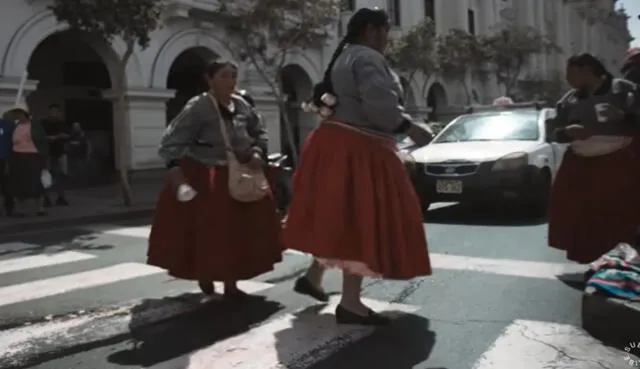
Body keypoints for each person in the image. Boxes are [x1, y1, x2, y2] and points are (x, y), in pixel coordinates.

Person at [283, 8, 434, 326]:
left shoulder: (345, 55)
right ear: (372, 30)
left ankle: (314, 277)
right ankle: (350, 302)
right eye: (386, 30)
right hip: (360, 148)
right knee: (360, 222)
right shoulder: (367, 57)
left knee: (342, 219)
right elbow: (380, 108)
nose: (389, 38)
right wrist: (410, 127)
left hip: (336, 144)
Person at [147, 59, 283, 299]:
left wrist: (257, 152)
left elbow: (258, 131)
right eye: (224, 76)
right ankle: (206, 274)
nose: (230, 82)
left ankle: (232, 284)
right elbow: (171, 142)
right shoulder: (198, 107)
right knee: (214, 233)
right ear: (209, 79)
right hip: (209, 178)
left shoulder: (242, 105)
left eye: (233, 76)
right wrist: (178, 171)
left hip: (241, 175)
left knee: (241, 233)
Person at [548, 53, 640, 264]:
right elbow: (552, 131)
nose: (567, 78)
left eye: (570, 73)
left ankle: (622, 261)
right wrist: (566, 132)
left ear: (587, 70)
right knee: (579, 214)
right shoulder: (569, 99)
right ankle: (591, 260)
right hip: (580, 163)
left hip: (618, 161)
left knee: (618, 213)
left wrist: (624, 116)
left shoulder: (624, 90)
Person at [8, 104, 48, 217]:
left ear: (25, 114)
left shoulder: (35, 125)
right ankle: (20, 208)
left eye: (19, 114)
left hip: (33, 156)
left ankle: (40, 207)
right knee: (19, 183)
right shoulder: (15, 126)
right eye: (16, 114)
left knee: (35, 181)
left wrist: (44, 156)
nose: (18, 116)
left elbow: (43, 141)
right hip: (18, 156)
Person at [42, 104, 69, 206]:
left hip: (59, 152)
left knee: (60, 176)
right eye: (52, 111)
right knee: (47, 176)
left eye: (56, 111)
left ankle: (61, 197)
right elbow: (42, 136)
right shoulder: (44, 123)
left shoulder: (61, 123)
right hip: (47, 153)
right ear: (49, 112)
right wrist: (52, 137)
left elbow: (68, 135)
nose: (54, 113)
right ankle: (46, 198)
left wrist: (63, 136)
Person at [0, 111, 15, 216]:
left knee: (7, 185)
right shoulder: (8, 124)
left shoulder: (7, 124)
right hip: (4, 158)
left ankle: (9, 209)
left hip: (4, 158)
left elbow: (12, 142)